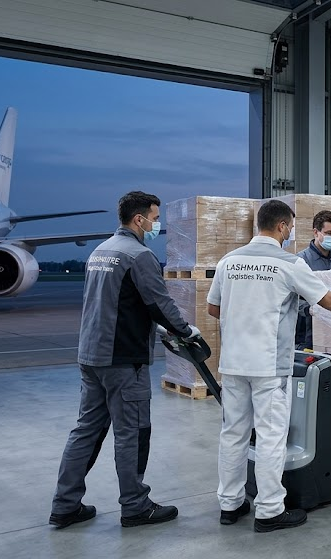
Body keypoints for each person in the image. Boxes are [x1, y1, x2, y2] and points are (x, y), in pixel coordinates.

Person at [207, 200, 331, 533]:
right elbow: (327, 300)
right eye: (291, 227)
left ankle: (230, 504)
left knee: (234, 434)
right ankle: (269, 510)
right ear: (283, 226)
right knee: (271, 436)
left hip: (233, 363)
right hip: (269, 365)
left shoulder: (229, 261)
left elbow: (214, 309)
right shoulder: (288, 263)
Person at [50, 191, 200, 529]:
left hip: (91, 355)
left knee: (86, 430)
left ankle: (65, 503)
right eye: (154, 218)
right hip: (122, 359)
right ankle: (135, 505)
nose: (156, 225)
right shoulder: (138, 255)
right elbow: (159, 304)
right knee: (132, 432)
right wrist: (187, 331)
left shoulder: (100, 251)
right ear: (139, 219)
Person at [294, 210, 331, 349]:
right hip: (308, 335)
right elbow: (290, 300)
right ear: (316, 232)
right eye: (329, 233)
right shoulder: (300, 261)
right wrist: (311, 309)